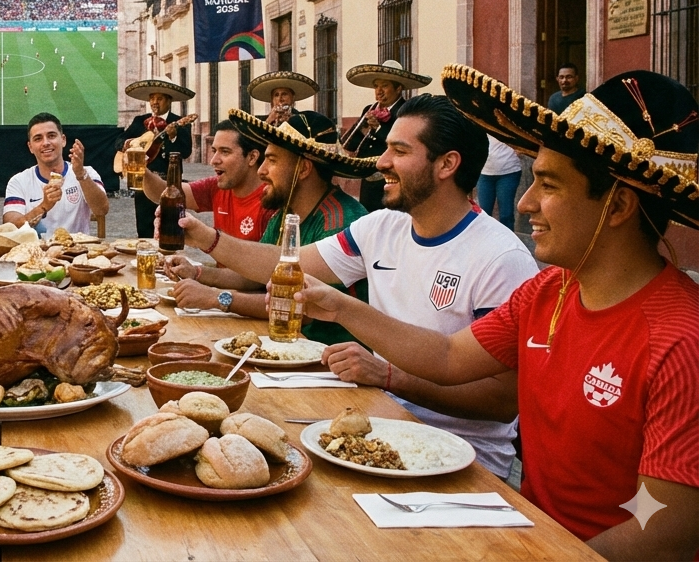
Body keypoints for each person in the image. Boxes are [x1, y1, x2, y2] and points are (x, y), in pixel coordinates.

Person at [298, 66, 699, 559]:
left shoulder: (681, 340)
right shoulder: (549, 291)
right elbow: (448, 356)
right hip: (522, 531)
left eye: (548, 185)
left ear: (618, 207)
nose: (525, 203)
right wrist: (339, 305)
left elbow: (663, 532)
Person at [181, 94, 538, 477]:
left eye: (400, 151)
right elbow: (284, 265)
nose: (381, 162)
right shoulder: (382, 226)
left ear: (447, 164)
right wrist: (203, 236)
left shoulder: (501, 258)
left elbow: (502, 401)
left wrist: (390, 377)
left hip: (465, 463)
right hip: (377, 425)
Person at [166, 113, 375, 347]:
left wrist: (218, 298)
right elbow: (256, 274)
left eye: (272, 161)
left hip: (329, 356)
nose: (261, 171)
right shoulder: (286, 212)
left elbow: (299, 308)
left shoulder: (340, 221)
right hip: (292, 346)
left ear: (303, 169)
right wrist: (197, 273)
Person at [141, 119, 270, 243]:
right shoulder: (216, 186)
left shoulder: (271, 200)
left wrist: (204, 237)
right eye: (214, 151)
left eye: (225, 152)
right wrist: (141, 168)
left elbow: (267, 258)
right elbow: (165, 192)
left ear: (252, 157)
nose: (213, 160)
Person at [341, 60, 432, 211]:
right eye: (376, 86)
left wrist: (378, 128)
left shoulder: (406, 111)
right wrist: (363, 128)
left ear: (398, 88)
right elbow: (350, 144)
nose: (379, 91)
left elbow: (404, 144)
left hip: (392, 180)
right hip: (368, 181)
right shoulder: (369, 109)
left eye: (384, 86)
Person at [2, 113, 109, 236]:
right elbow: (10, 228)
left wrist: (81, 175)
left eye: (51, 136)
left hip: (77, 247)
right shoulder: (18, 181)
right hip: (35, 248)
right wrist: (44, 206)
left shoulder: (86, 173)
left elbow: (101, 210)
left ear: (63, 140)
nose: (46, 143)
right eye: (38, 139)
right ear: (30, 147)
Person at [123, 79, 195, 238]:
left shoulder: (180, 123)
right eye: (152, 98)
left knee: (170, 226)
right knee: (144, 227)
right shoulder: (140, 121)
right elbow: (119, 141)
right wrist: (132, 143)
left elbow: (186, 151)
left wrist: (173, 138)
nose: (155, 102)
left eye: (160, 98)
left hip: (169, 183)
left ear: (169, 101)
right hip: (143, 182)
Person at [247, 71, 338, 143]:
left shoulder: (307, 119)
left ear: (293, 97)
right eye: (276, 95)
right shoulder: (260, 122)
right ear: (272, 100)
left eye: (284, 94)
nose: (280, 99)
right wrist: (269, 121)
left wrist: (291, 122)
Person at [477, 134, 522, 232]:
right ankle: (485, 239)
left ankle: (507, 240)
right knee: (483, 213)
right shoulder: (481, 125)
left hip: (509, 172)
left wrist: (521, 150)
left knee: (506, 214)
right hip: (484, 173)